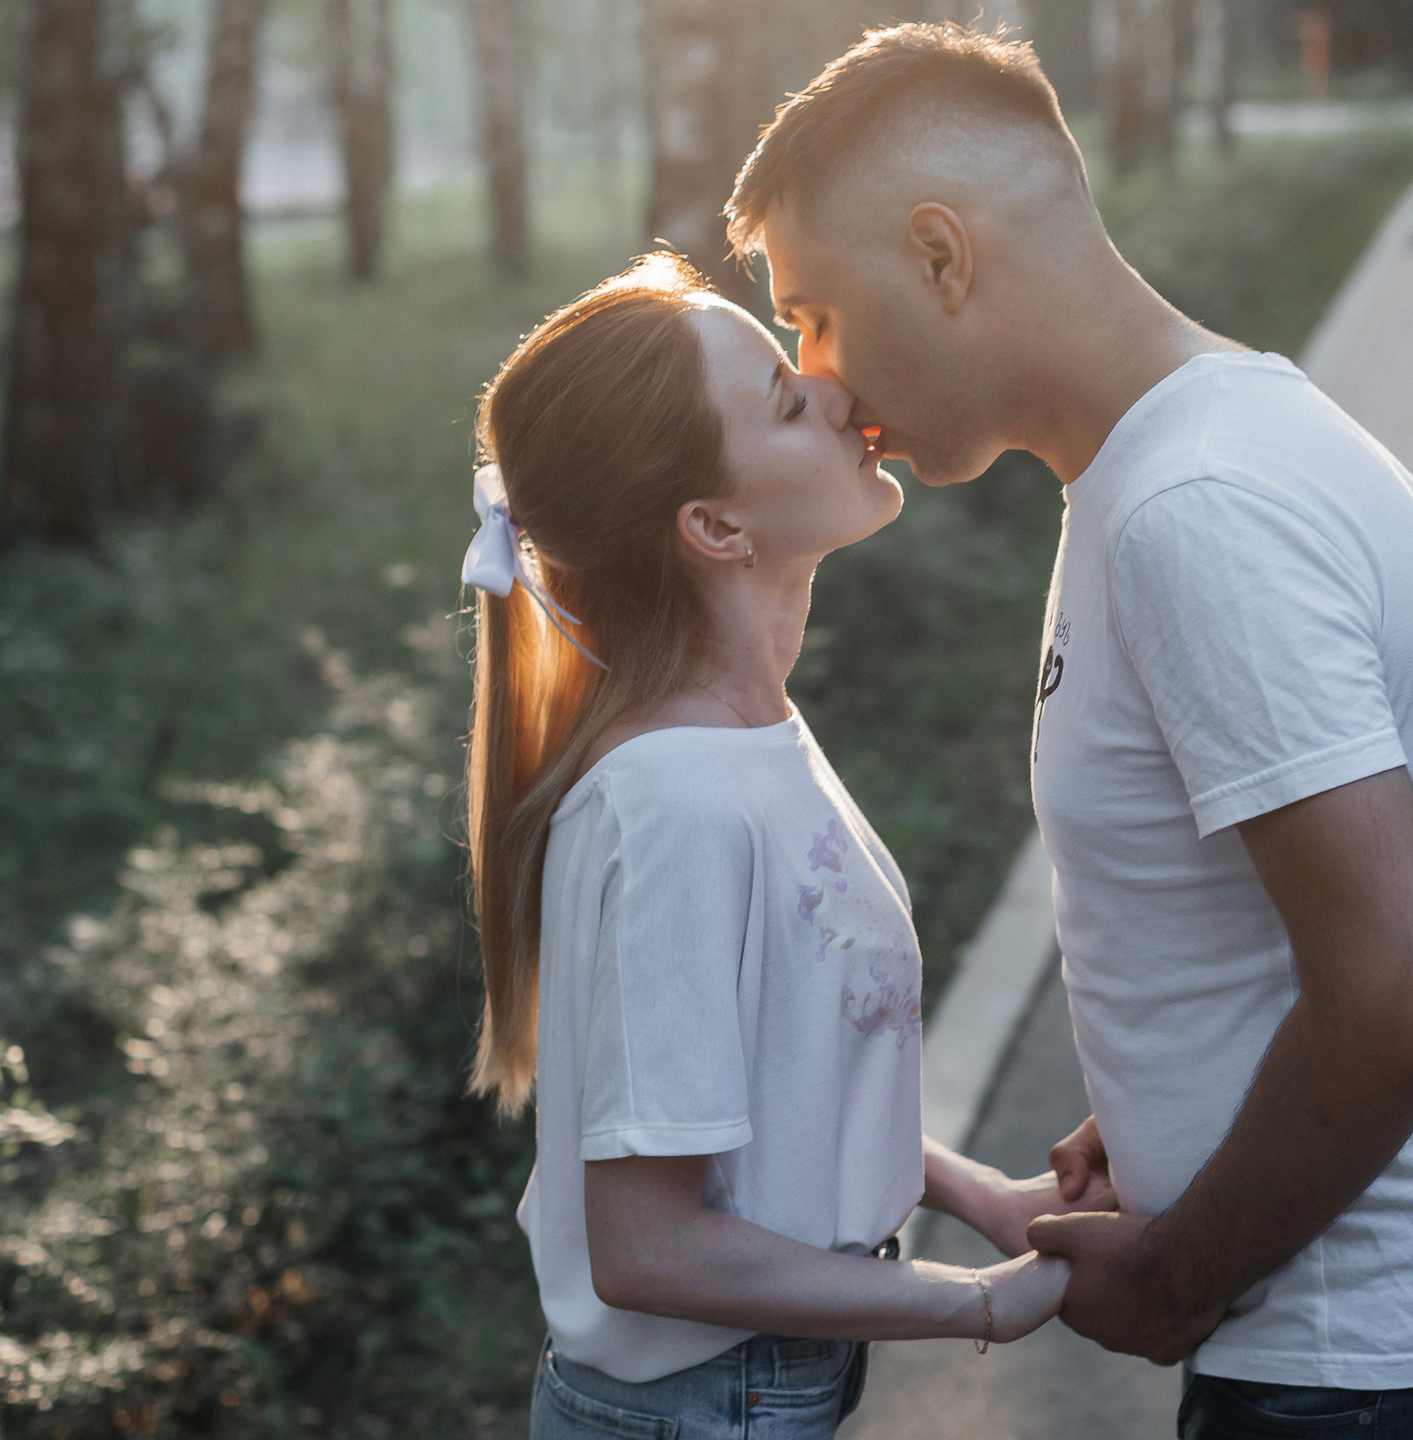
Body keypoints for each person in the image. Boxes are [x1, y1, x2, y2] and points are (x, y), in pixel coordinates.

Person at [726, 24, 1413, 1440]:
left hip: (1373, 1373)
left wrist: (1174, 1272)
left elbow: (1404, 996)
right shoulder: (1212, 447)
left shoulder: (1193, 510)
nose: (819, 376)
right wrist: (1173, 1098)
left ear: (943, 257)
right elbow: (1307, 931)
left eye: (814, 311)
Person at [463, 254, 1092, 1438]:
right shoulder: (674, 806)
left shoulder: (745, 742)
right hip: (705, 1410)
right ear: (713, 525)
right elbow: (646, 1249)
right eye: (784, 399)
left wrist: (984, 1198)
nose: (835, 393)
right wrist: (982, 1304)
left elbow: (784, 1076)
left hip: (753, 1395)